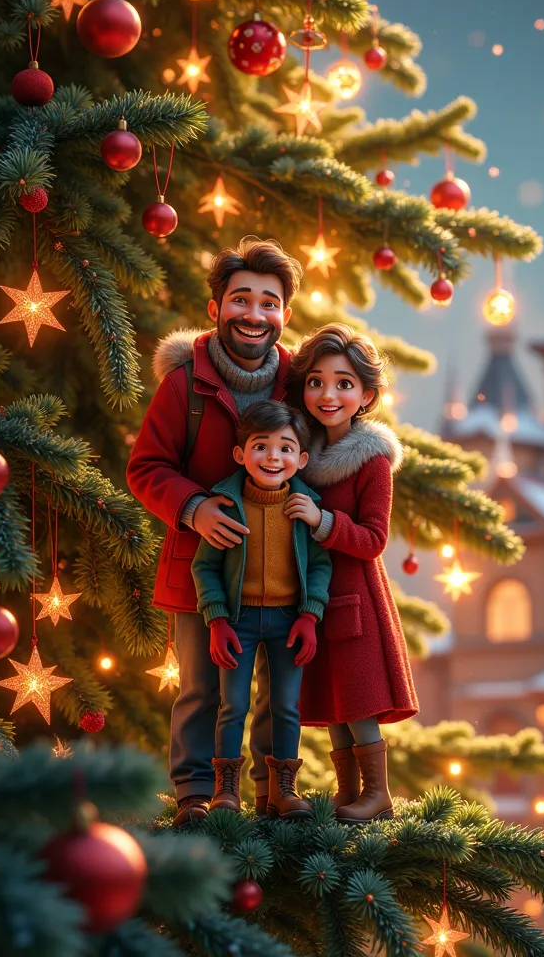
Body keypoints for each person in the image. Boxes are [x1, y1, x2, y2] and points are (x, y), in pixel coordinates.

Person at [126, 237, 303, 827]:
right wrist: (195, 507)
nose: (254, 315)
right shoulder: (185, 385)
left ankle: (268, 792)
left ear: (284, 315)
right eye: (241, 300)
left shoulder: (299, 385)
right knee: (201, 689)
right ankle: (196, 796)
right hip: (201, 572)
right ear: (216, 309)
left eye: (269, 303)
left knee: (272, 694)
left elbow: (326, 448)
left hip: (280, 570)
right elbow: (146, 468)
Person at [285, 323, 418, 824]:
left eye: (344, 383)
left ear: (366, 394)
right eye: (316, 381)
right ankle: (348, 793)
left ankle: (377, 792)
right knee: (333, 698)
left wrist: (322, 522)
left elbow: (374, 540)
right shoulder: (299, 452)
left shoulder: (372, 461)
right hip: (312, 597)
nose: (328, 394)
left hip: (355, 597)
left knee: (358, 699)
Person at [192, 400, 331, 818]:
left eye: (286, 448)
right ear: (240, 454)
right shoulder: (227, 505)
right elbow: (205, 566)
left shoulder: (305, 509)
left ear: (301, 459)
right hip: (239, 621)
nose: (274, 457)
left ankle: (282, 789)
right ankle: (226, 789)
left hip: (289, 621)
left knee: (286, 706)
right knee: (233, 705)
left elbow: (321, 565)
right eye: (261, 446)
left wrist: (310, 615)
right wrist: (216, 620)